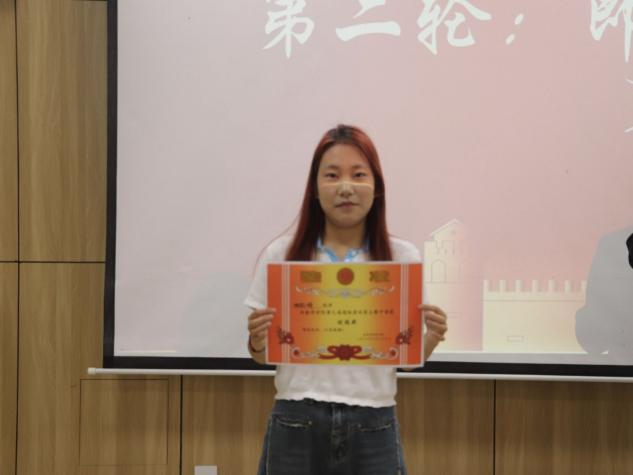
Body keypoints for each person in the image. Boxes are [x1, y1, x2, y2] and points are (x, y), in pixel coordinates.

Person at [245, 124, 448, 475]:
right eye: (332, 175)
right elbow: (262, 356)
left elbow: (408, 362)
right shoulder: (282, 255)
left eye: (358, 174)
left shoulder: (401, 257)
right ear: (314, 189)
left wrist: (432, 336)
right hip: (296, 418)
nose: (345, 187)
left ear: (377, 187)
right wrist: (257, 340)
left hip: (373, 420)